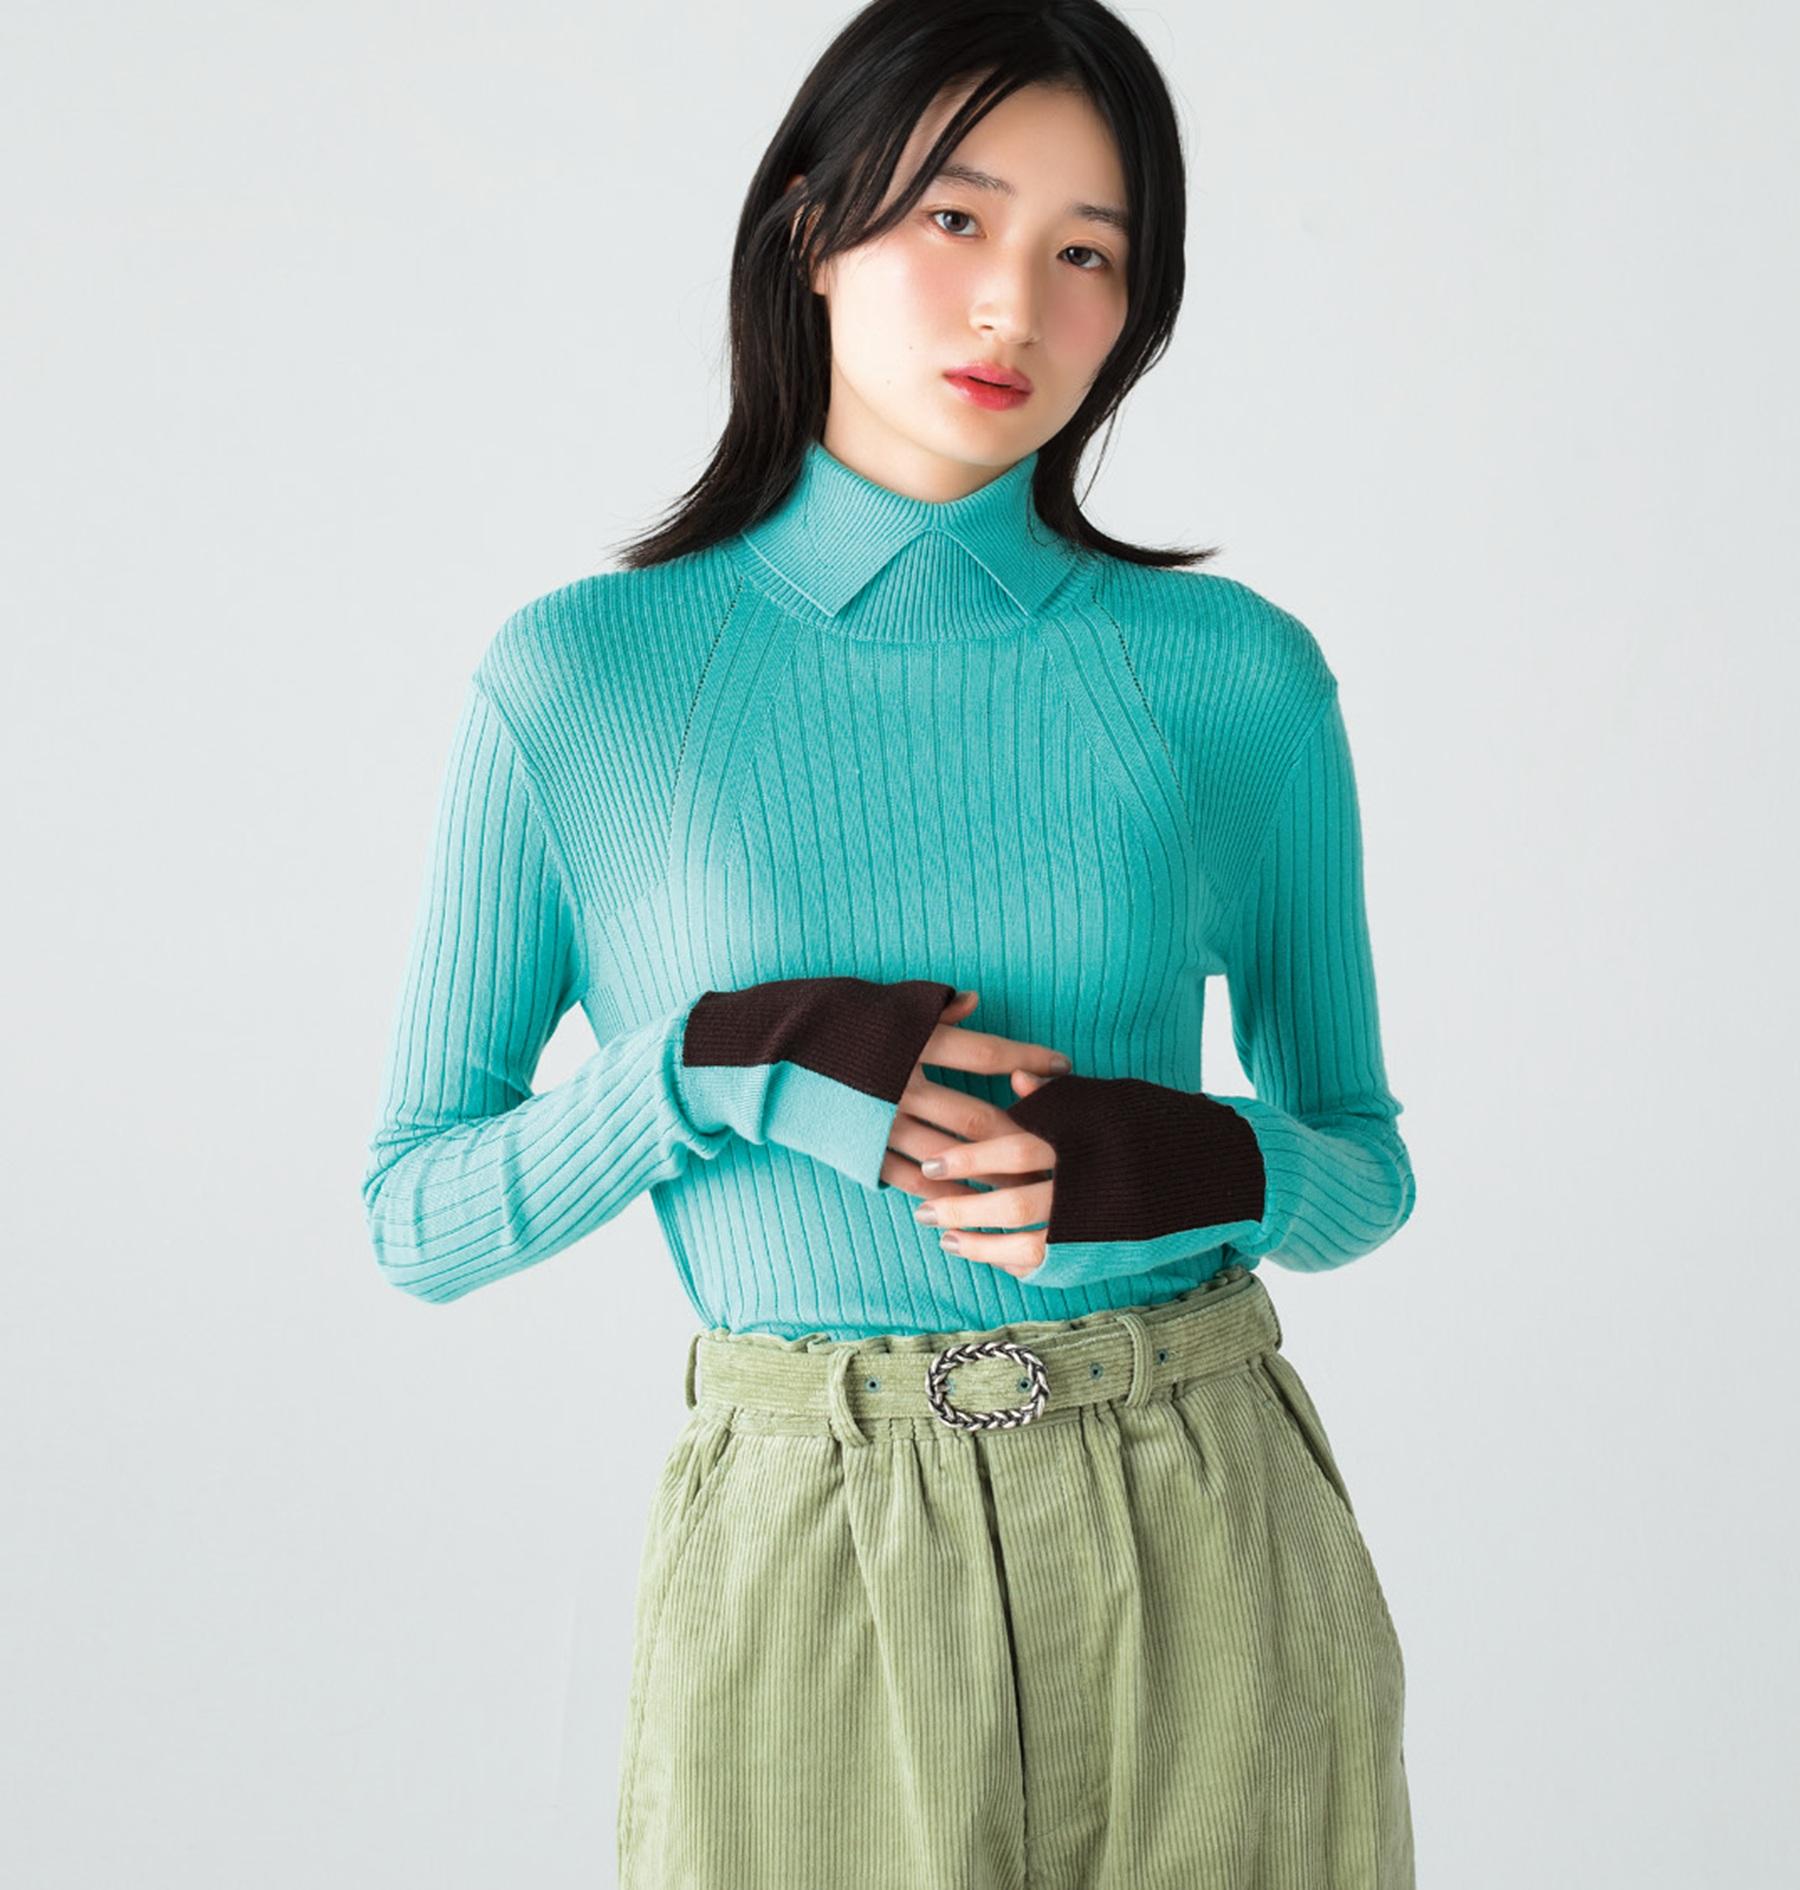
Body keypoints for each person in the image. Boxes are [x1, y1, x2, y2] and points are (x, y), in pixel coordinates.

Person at [361, 2, 1420, 1883]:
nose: (1016, 303)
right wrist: (711, 1066)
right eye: (955, 217)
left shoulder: (1237, 679)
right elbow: (415, 1216)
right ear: (811, 230)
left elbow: (1365, 1170)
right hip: (808, 1545)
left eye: (1089, 254)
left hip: (1208, 1523)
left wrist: (1201, 1161)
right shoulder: (583, 683)